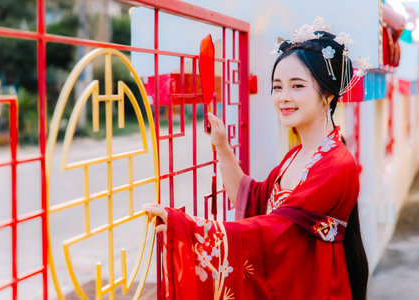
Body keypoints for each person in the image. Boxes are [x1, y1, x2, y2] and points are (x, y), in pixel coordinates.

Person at [143, 20, 369, 300]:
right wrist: (222, 146)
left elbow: (279, 230)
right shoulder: (296, 157)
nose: (283, 98)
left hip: (316, 288)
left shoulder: (336, 164)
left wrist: (191, 229)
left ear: (328, 94)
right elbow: (251, 199)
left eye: (297, 86)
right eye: (277, 87)